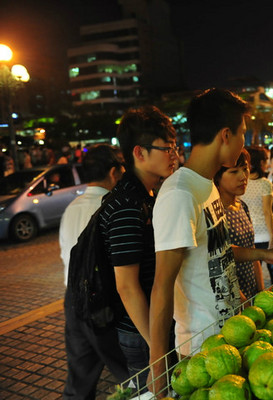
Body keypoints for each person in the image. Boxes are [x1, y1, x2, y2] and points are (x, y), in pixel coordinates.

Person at [149, 89, 273, 394]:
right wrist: (158, 374)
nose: (246, 141)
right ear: (226, 135)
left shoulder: (207, 186)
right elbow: (162, 285)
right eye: (243, 133)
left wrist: (264, 255)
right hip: (202, 350)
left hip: (231, 334)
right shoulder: (180, 194)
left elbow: (214, 251)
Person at [96, 105, 178, 391]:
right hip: (140, 333)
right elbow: (127, 287)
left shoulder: (148, 195)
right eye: (166, 148)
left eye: (175, 146)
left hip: (154, 328)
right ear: (139, 153)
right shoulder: (126, 206)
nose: (174, 155)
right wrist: (157, 350)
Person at [61, 145, 129, 399]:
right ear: (114, 172)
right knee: (133, 373)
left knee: (79, 382)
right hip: (104, 305)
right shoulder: (111, 208)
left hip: (74, 302)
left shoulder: (72, 208)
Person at [60, 144, 124, 286]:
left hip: (74, 296)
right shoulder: (114, 208)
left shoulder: (70, 209)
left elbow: (65, 254)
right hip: (105, 299)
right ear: (113, 173)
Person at [215, 149, 264, 299]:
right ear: (217, 177)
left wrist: (261, 291)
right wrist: (243, 302)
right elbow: (221, 262)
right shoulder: (215, 212)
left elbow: (252, 251)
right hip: (231, 297)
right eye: (234, 171)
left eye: (245, 169)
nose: (243, 177)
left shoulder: (242, 206)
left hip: (251, 292)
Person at [241, 146, 273, 285]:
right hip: (265, 234)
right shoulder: (265, 184)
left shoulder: (241, 184)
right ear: (261, 163)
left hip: (248, 234)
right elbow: (267, 212)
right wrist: (272, 238)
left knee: (253, 273)